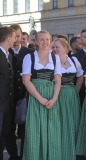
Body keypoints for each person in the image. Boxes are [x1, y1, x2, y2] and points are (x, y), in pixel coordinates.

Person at [21, 30, 62, 160]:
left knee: (51, 130)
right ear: (36, 42)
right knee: (35, 131)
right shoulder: (29, 57)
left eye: (47, 40)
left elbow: (58, 80)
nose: (45, 42)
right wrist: (40, 99)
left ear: (50, 42)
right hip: (35, 98)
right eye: (42, 39)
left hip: (51, 98)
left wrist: (54, 98)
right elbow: (26, 80)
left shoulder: (55, 58)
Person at [52, 38, 83, 160]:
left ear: (65, 48)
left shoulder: (74, 60)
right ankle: (60, 151)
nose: (54, 49)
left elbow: (80, 76)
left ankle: (72, 150)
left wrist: (76, 90)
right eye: (53, 47)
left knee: (72, 122)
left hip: (71, 95)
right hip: (58, 95)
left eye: (57, 47)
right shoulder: (52, 60)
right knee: (60, 122)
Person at [7, 24, 34, 160]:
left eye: (18, 36)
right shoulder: (7, 52)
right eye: (14, 36)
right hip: (9, 97)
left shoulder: (29, 53)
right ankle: (13, 155)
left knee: (24, 128)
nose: (17, 39)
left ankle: (24, 153)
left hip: (25, 95)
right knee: (9, 127)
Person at [0, 26, 15, 160]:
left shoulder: (9, 55)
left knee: (3, 135)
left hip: (7, 104)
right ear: (8, 38)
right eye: (15, 37)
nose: (16, 40)